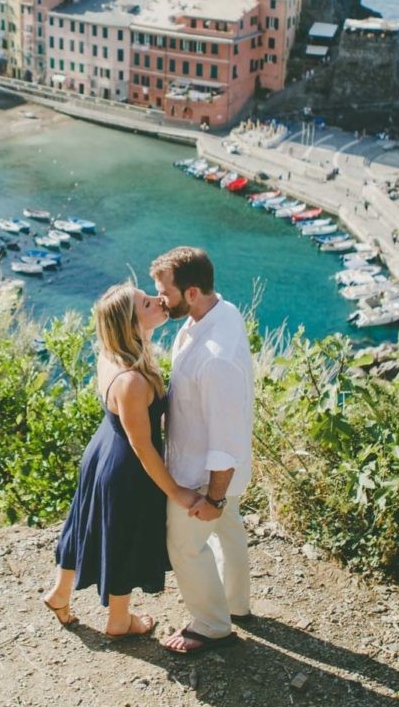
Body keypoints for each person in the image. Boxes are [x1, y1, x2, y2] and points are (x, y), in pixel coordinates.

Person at [43, 283, 200, 639]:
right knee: (123, 536)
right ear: (132, 323)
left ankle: (60, 592)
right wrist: (176, 492)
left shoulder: (113, 353)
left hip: (102, 451)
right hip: (124, 466)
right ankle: (119, 620)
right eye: (147, 303)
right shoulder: (130, 380)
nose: (158, 300)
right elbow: (143, 447)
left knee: (86, 523)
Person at [149, 247, 255, 654]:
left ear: (191, 292)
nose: (160, 298)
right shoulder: (219, 311)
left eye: (165, 292)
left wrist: (212, 497)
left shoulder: (217, 359)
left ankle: (212, 624)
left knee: (186, 546)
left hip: (203, 473)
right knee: (228, 531)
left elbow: (225, 440)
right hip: (214, 468)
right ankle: (235, 604)